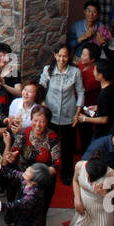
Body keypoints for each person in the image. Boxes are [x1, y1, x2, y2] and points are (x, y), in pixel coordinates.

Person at [38, 43, 84, 186]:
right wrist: (43, 105)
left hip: (68, 114)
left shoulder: (75, 72)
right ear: (55, 55)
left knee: (67, 146)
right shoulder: (48, 70)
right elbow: (41, 88)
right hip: (50, 114)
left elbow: (81, 91)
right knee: (48, 143)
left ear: (69, 56)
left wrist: (77, 113)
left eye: (65, 56)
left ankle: (67, 173)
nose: (62, 59)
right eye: (59, 56)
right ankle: (46, 171)